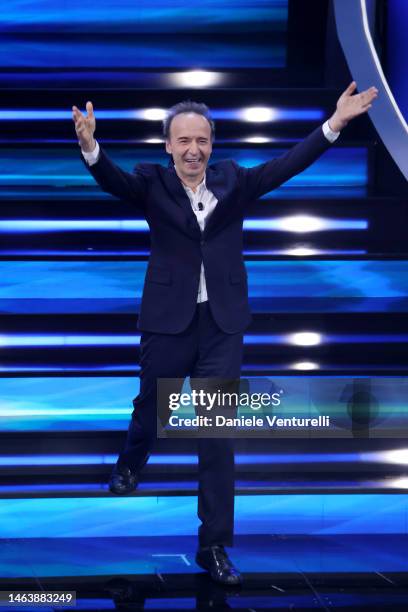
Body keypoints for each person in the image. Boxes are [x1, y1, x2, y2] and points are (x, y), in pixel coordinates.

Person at [72, 82, 378, 585]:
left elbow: (285, 166)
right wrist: (90, 145)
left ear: (212, 145)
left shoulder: (234, 182)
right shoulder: (151, 183)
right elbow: (113, 181)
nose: (194, 150)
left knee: (216, 435)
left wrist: (336, 123)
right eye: (184, 141)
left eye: (203, 141)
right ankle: (131, 463)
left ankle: (213, 546)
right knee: (152, 405)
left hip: (222, 325)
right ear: (168, 146)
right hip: (168, 322)